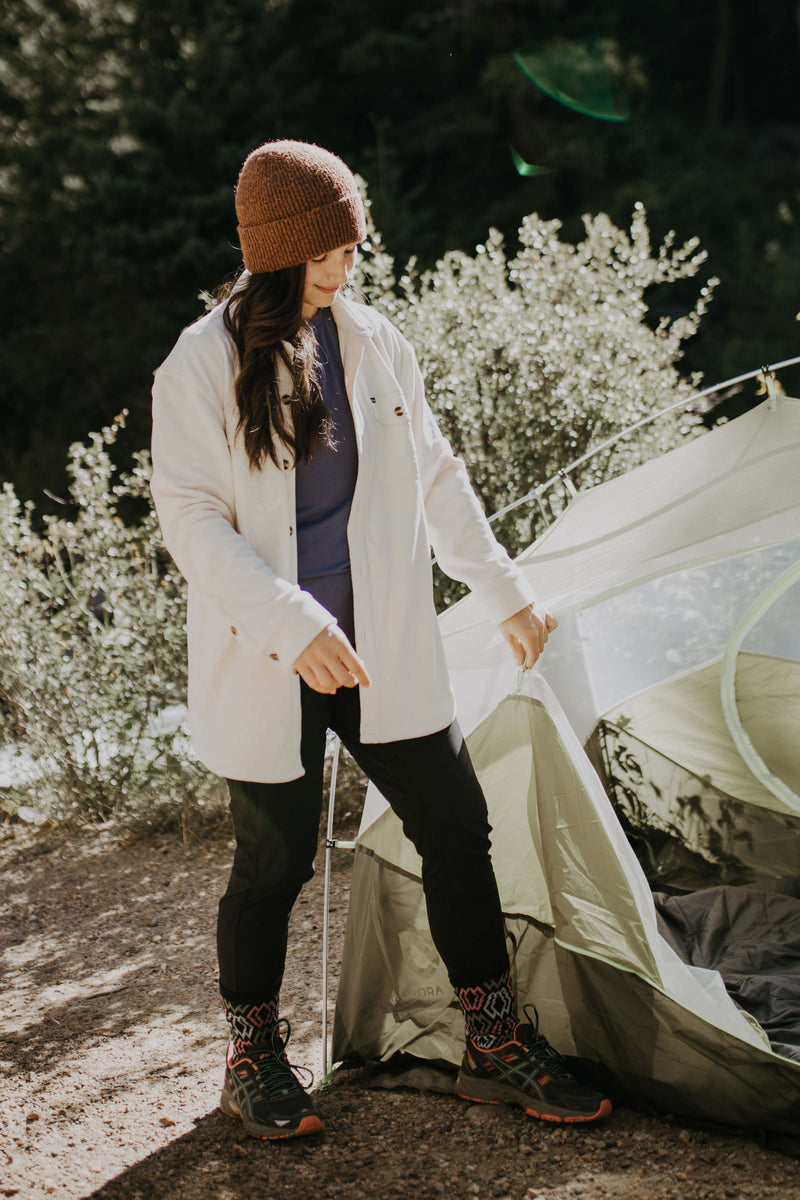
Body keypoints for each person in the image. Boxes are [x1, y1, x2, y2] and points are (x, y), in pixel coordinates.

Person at [150, 139, 611, 1141]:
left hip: (379, 652)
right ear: (277, 253)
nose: (344, 269)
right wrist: (292, 622)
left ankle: (493, 1045)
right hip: (271, 660)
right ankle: (252, 1060)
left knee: (457, 827)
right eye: (326, 254)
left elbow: (436, 475)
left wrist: (505, 592)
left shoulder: (374, 342)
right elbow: (190, 519)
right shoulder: (199, 364)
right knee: (273, 867)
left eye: (352, 249)